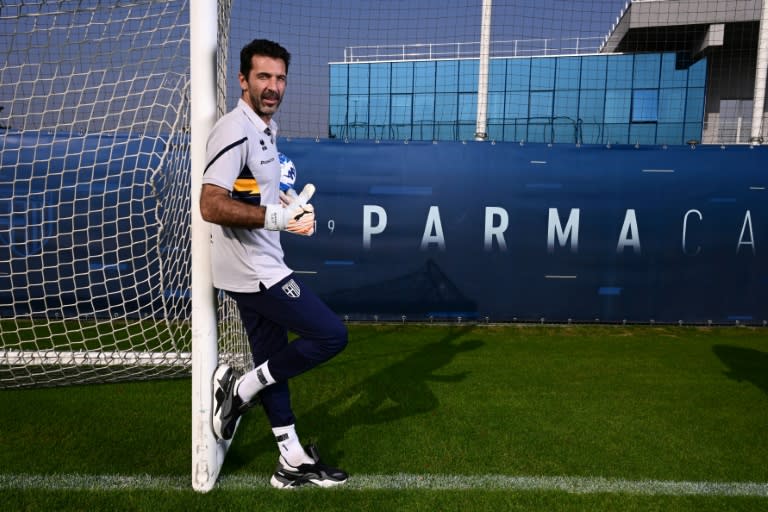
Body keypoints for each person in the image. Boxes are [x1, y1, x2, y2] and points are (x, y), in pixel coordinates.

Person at [199, 38, 349, 489]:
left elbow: (254, 192)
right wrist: (277, 217)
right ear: (243, 80)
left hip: (258, 264)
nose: (273, 86)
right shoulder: (234, 128)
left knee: (272, 357)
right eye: (263, 76)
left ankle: (292, 460)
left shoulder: (265, 127)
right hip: (256, 271)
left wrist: (288, 206)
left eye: (280, 78)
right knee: (330, 335)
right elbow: (211, 203)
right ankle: (242, 389)